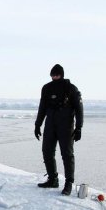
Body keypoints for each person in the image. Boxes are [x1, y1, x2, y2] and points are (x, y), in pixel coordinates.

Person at [35, 64, 83, 195]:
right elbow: (42, 108)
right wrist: (37, 124)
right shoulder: (46, 88)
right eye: (53, 75)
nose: (55, 77)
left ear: (62, 75)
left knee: (67, 154)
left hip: (66, 126)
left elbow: (79, 109)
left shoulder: (71, 88)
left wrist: (79, 127)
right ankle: (53, 179)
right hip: (50, 124)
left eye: (57, 75)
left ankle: (68, 183)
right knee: (47, 151)